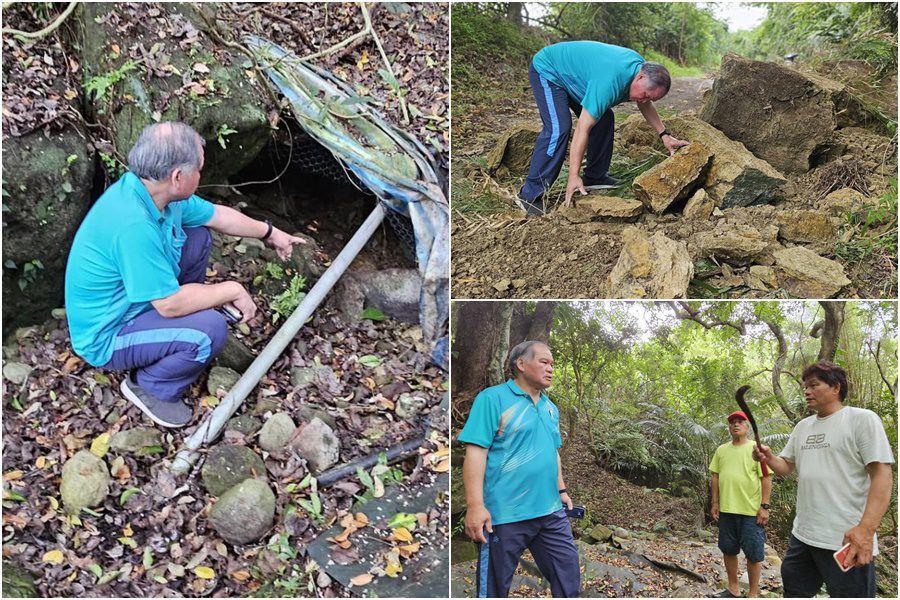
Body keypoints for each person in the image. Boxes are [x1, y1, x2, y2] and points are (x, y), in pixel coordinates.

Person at [65, 121, 305, 428]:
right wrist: (231, 290)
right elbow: (168, 305)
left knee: (197, 238)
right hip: (109, 333)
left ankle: (179, 326)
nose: (202, 175)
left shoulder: (153, 192)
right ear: (178, 176)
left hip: (137, 301)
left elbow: (218, 216)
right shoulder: (132, 226)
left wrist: (270, 233)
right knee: (210, 331)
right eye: (199, 169)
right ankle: (150, 386)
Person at [753, 361, 894, 598]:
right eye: (805, 387)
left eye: (814, 385)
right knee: (795, 592)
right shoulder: (802, 427)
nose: (806, 391)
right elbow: (786, 466)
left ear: (836, 387)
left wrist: (866, 529)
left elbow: (882, 475)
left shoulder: (862, 419)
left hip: (846, 538)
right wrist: (768, 457)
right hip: (804, 535)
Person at [458, 340, 580, 598]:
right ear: (521, 364)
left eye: (552, 364)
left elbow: (552, 451)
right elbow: (476, 452)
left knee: (568, 574)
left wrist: (562, 490)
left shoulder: (550, 408)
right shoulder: (493, 399)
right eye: (544, 362)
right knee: (494, 587)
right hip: (505, 515)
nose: (551, 369)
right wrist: (475, 506)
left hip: (550, 512)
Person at [517, 40, 690, 215]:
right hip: (548, 70)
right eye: (645, 95)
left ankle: (595, 176)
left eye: (650, 99)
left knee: (604, 118)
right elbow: (582, 129)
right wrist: (573, 176)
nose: (644, 100)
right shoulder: (609, 82)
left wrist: (664, 135)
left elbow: (645, 105)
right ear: (640, 77)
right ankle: (529, 195)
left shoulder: (640, 69)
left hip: (574, 76)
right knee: (558, 129)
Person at [710, 410, 772, 598]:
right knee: (728, 550)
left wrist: (764, 507)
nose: (735, 425)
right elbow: (715, 475)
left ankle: (753, 594)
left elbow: (766, 478)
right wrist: (714, 502)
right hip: (727, 510)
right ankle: (733, 589)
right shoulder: (721, 450)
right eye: (732, 423)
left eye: (739, 422)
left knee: (753, 554)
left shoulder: (756, 449)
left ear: (747, 427)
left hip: (750, 512)